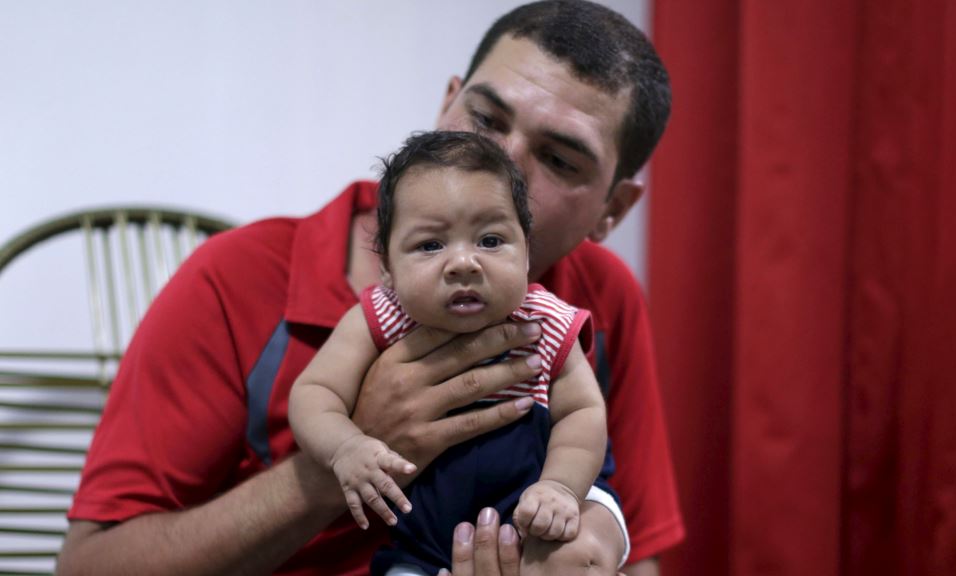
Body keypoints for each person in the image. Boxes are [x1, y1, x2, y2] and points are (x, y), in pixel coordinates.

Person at [58, 2, 683, 575]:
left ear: (613, 210)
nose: (503, 165)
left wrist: (593, 542)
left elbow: (637, 552)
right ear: (447, 104)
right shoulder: (237, 278)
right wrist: (341, 459)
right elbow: (89, 566)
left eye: (561, 160)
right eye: (485, 118)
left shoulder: (594, 299)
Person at [290, 130, 622, 576]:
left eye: (489, 241)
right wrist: (345, 447)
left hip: (542, 509)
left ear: (525, 251)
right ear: (387, 267)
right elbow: (314, 392)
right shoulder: (383, 317)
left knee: (572, 557)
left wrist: (561, 486)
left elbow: (583, 411)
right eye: (430, 245)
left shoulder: (544, 321)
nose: (464, 263)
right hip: (426, 544)